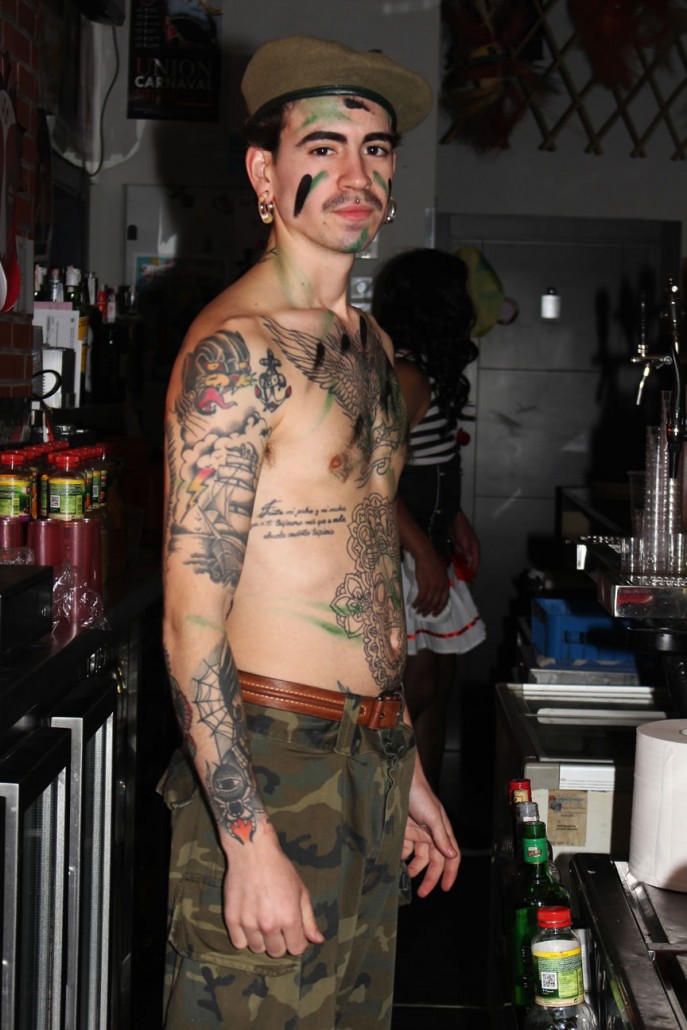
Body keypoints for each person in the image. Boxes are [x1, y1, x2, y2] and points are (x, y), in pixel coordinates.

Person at [161, 35, 461, 1029]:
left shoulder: (368, 345)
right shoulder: (234, 354)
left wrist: (403, 762)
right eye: (322, 148)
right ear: (264, 173)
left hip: (368, 758)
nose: (354, 174)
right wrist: (247, 840)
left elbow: (360, 569)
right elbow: (190, 623)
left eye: (375, 150)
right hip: (269, 761)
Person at [373, 248, 483, 791]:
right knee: (412, 692)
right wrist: (423, 554)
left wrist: (455, 518)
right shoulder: (405, 374)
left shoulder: (424, 371)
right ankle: (386, 821)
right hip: (403, 556)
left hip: (426, 549)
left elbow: (423, 464)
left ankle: (429, 817)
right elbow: (373, 481)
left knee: (437, 684)